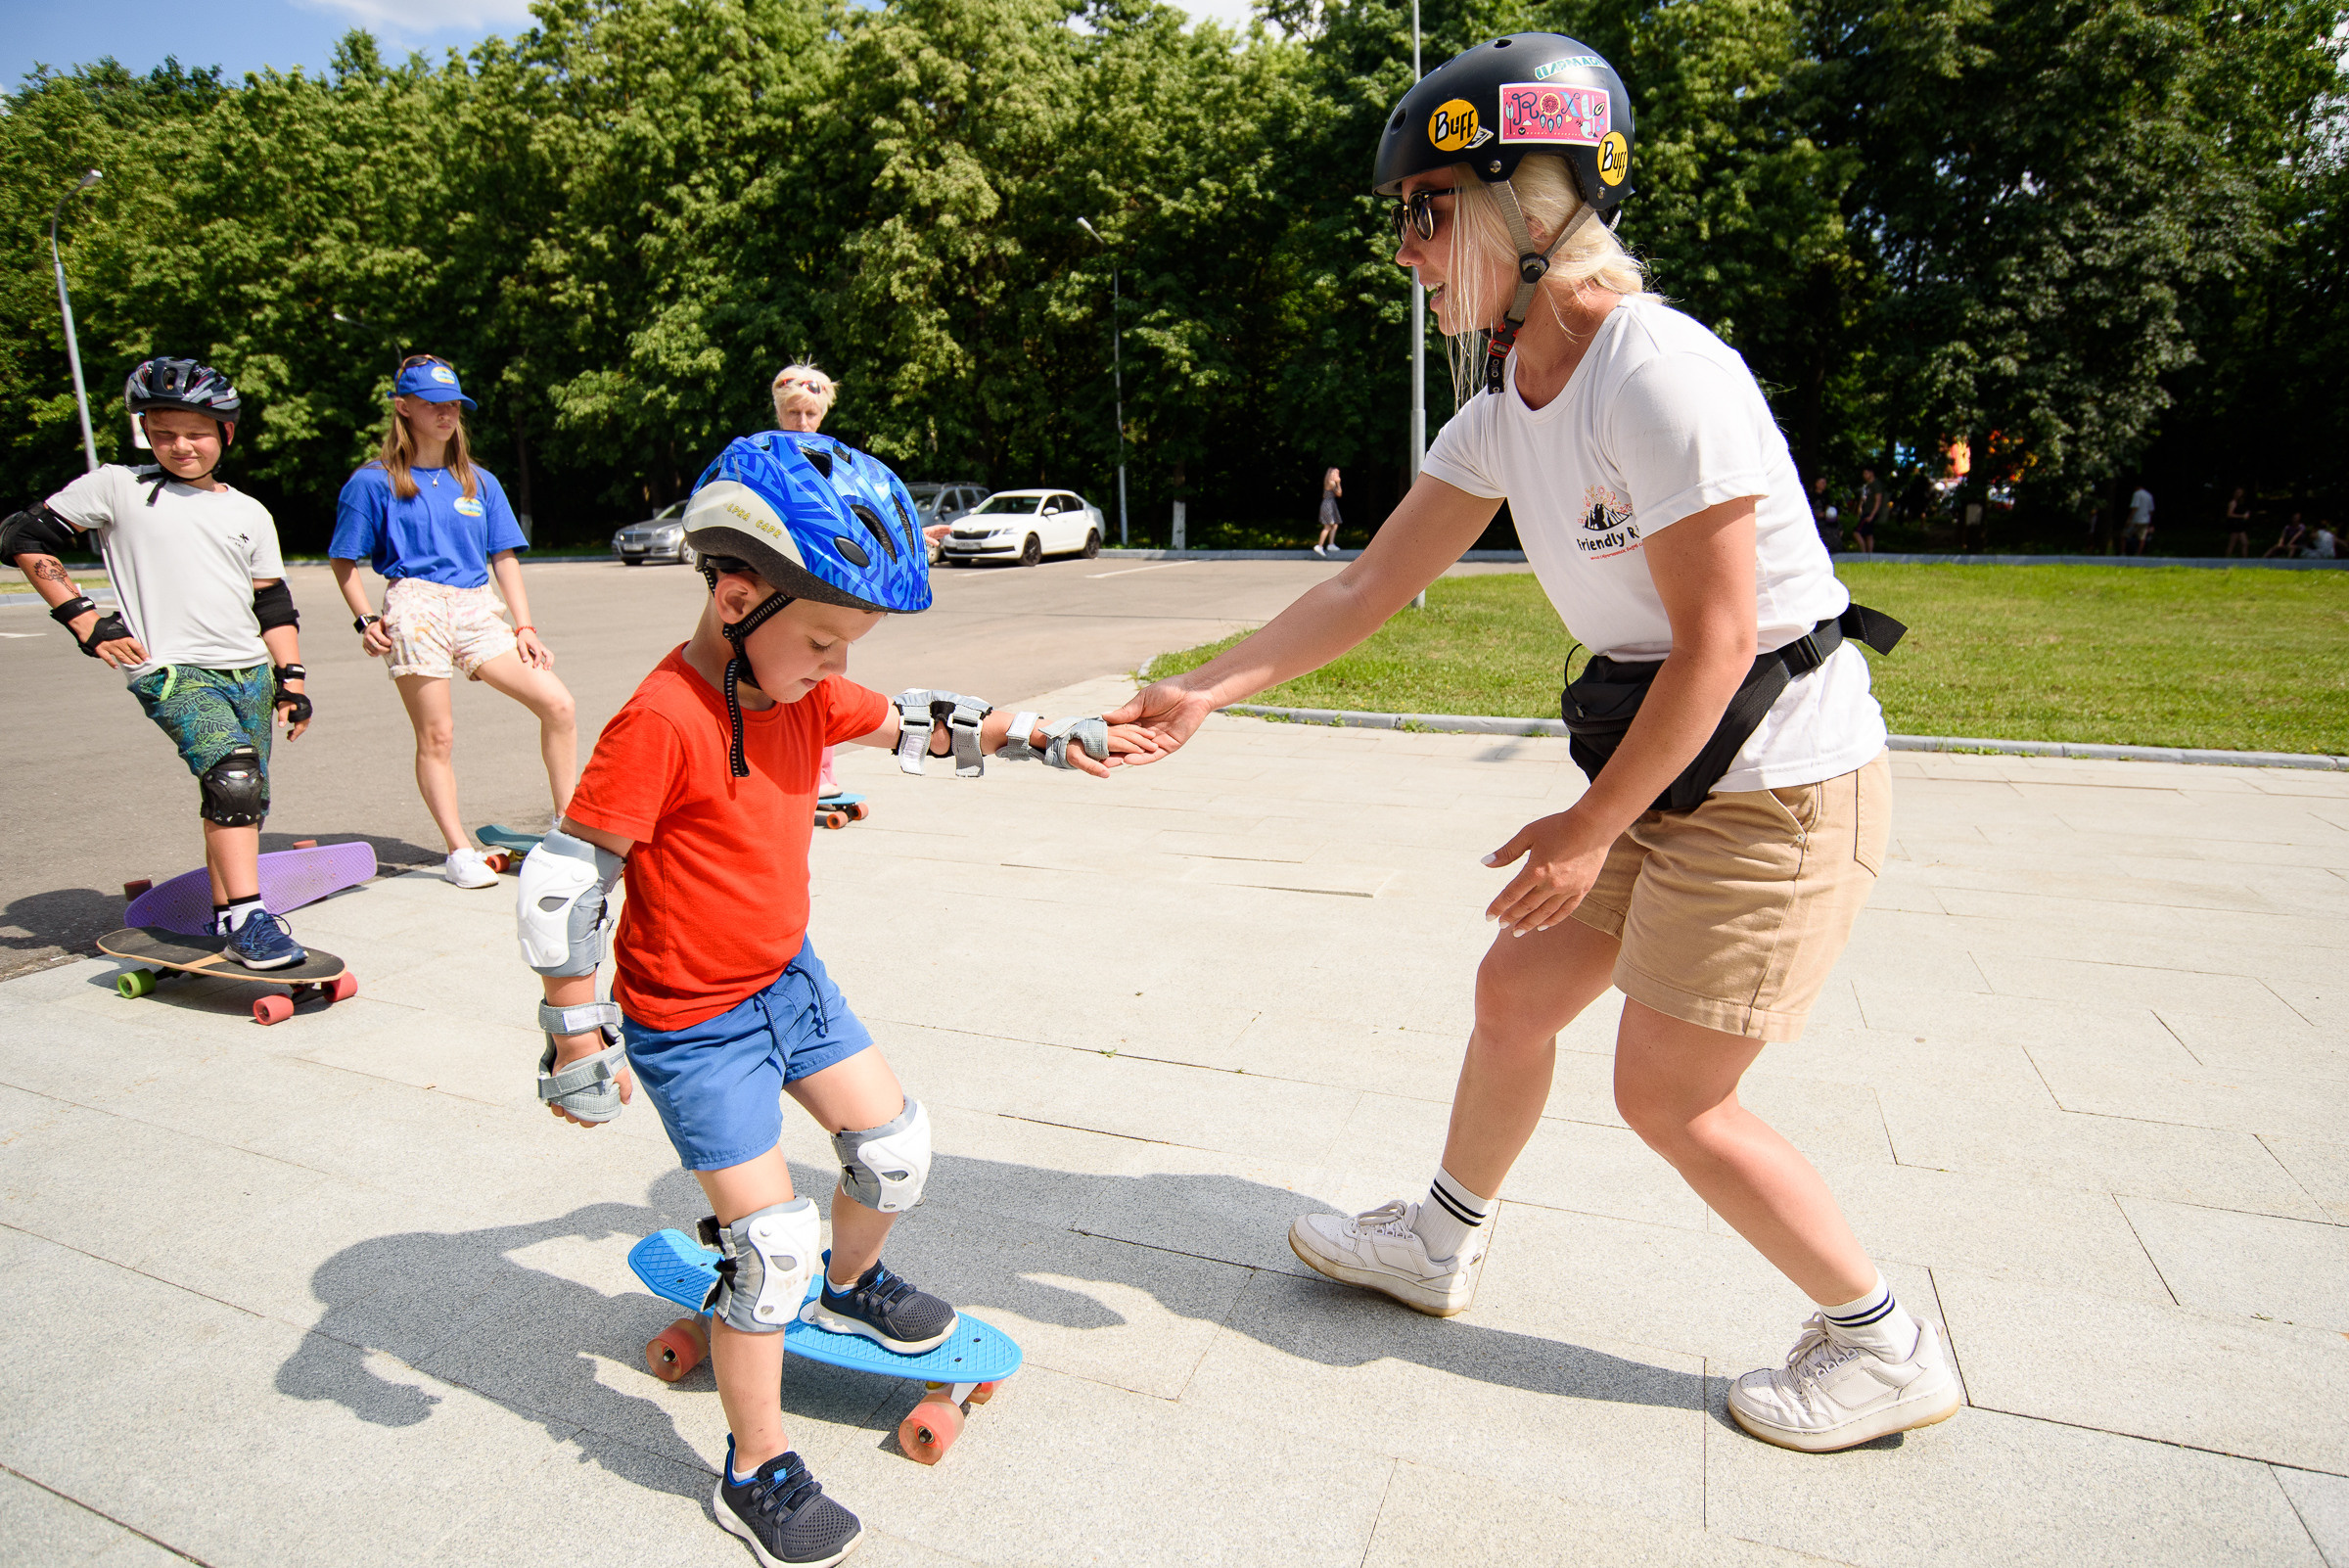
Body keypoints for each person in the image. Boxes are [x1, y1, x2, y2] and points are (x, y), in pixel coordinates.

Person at [1108, 32, 1955, 1457]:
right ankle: (1440, 1242)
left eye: (1425, 211)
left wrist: (1585, 828)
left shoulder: (1656, 372)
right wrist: (1205, 689)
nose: (1406, 252)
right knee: (1514, 993)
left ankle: (1884, 1343)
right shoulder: (1507, 404)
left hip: (1778, 787)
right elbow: (1367, 583)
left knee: (1669, 1096)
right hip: (1673, 770)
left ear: (1530, 200)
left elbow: (1720, 642)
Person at [523, 429, 1154, 1566]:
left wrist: (1051, 736)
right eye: (820, 640)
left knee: (898, 1150)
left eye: (844, 645)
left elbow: (918, 718)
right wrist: (577, 1031)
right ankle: (756, 1462)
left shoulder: (804, 695)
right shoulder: (659, 720)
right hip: (692, 1021)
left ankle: (853, 1285)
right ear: (734, 593)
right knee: (767, 1248)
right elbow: (570, 880)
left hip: (789, 983)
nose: (833, 666)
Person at [2, 358, 312, 966]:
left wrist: (291, 678)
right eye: (163, 432)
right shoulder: (119, 485)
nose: (179, 445)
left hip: (248, 669)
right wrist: (85, 619)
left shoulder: (247, 511)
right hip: (169, 669)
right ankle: (253, 921)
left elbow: (272, 599)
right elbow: (22, 535)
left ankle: (228, 914)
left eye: (195, 432)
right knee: (234, 778)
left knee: (239, 799)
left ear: (225, 433)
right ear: (145, 430)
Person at [329, 356, 577, 889]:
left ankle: (567, 825)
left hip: (475, 604)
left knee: (557, 703)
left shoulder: (478, 481)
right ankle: (458, 849)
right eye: (432, 404)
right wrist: (364, 618)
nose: (446, 413)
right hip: (414, 605)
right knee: (437, 735)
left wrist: (525, 626)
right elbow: (343, 559)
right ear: (403, 407)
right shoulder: (373, 483)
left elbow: (504, 556)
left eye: (454, 405)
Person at [1313, 467, 1345, 556]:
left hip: (1330, 504)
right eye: (1335, 474)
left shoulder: (1328, 482)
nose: (1337, 476)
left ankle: (1331, 544)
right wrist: (1338, 483)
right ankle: (1320, 546)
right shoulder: (1331, 483)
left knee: (1334, 525)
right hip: (1328, 505)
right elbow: (1339, 493)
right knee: (1328, 526)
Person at [1852, 467, 1882, 553]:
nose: (1864, 476)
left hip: (1870, 512)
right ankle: (1870, 554)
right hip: (1866, 511)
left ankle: (1864, 553)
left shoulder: (1876, 484)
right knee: (1869, 534)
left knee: (1856, 533)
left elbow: (1878, 500)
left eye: (1866, 473)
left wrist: (1872, 515)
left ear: (1871, 473)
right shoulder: (1868, 485)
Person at [1810, 474, 1840, 552]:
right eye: (1822, 482)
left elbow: (1828, 508)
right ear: (1816, 484)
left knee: (1837, 526)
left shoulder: (1826, 495)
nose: (1824, 484)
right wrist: (1816, 515)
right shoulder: (1811, 496)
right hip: (1814, 519)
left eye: (1825, 482)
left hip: (1825, 518)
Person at [2123, 483, 2155, 555]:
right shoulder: (2149, 495)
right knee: (2142, 538)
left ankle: (2123, 552)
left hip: (2135, 520)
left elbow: (2135, 507)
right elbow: (2151, 510)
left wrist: (2129, 519)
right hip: (2145, 520)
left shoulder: (2137, 494)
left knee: (2124, 536)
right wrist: (2150, 522)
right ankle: (2139, 554)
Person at [2223, 487, 2252, 558]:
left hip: (2240, 525)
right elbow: (2229, 514)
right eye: (2238, 492)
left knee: (2245, 543)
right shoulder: (2233, 502)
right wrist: (2242, 516)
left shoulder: (2241, 503)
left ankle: (2245, 560)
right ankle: (2226, 559)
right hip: (2235, 526)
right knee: (2232, 544)